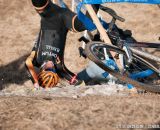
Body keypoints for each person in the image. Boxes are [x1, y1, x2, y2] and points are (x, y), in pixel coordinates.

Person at [25, 0, 118, 88]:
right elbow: (74, 80)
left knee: (38, 3)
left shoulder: (37, 59)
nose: (51, 67)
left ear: (42, 69)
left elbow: (27, 63)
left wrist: (35, 83)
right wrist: (80, 83)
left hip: (45, 12)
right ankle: (93, 2)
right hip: (62, 18)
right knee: (86, 25)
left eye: (47, 69)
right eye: (52, 70)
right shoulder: (59, 67)